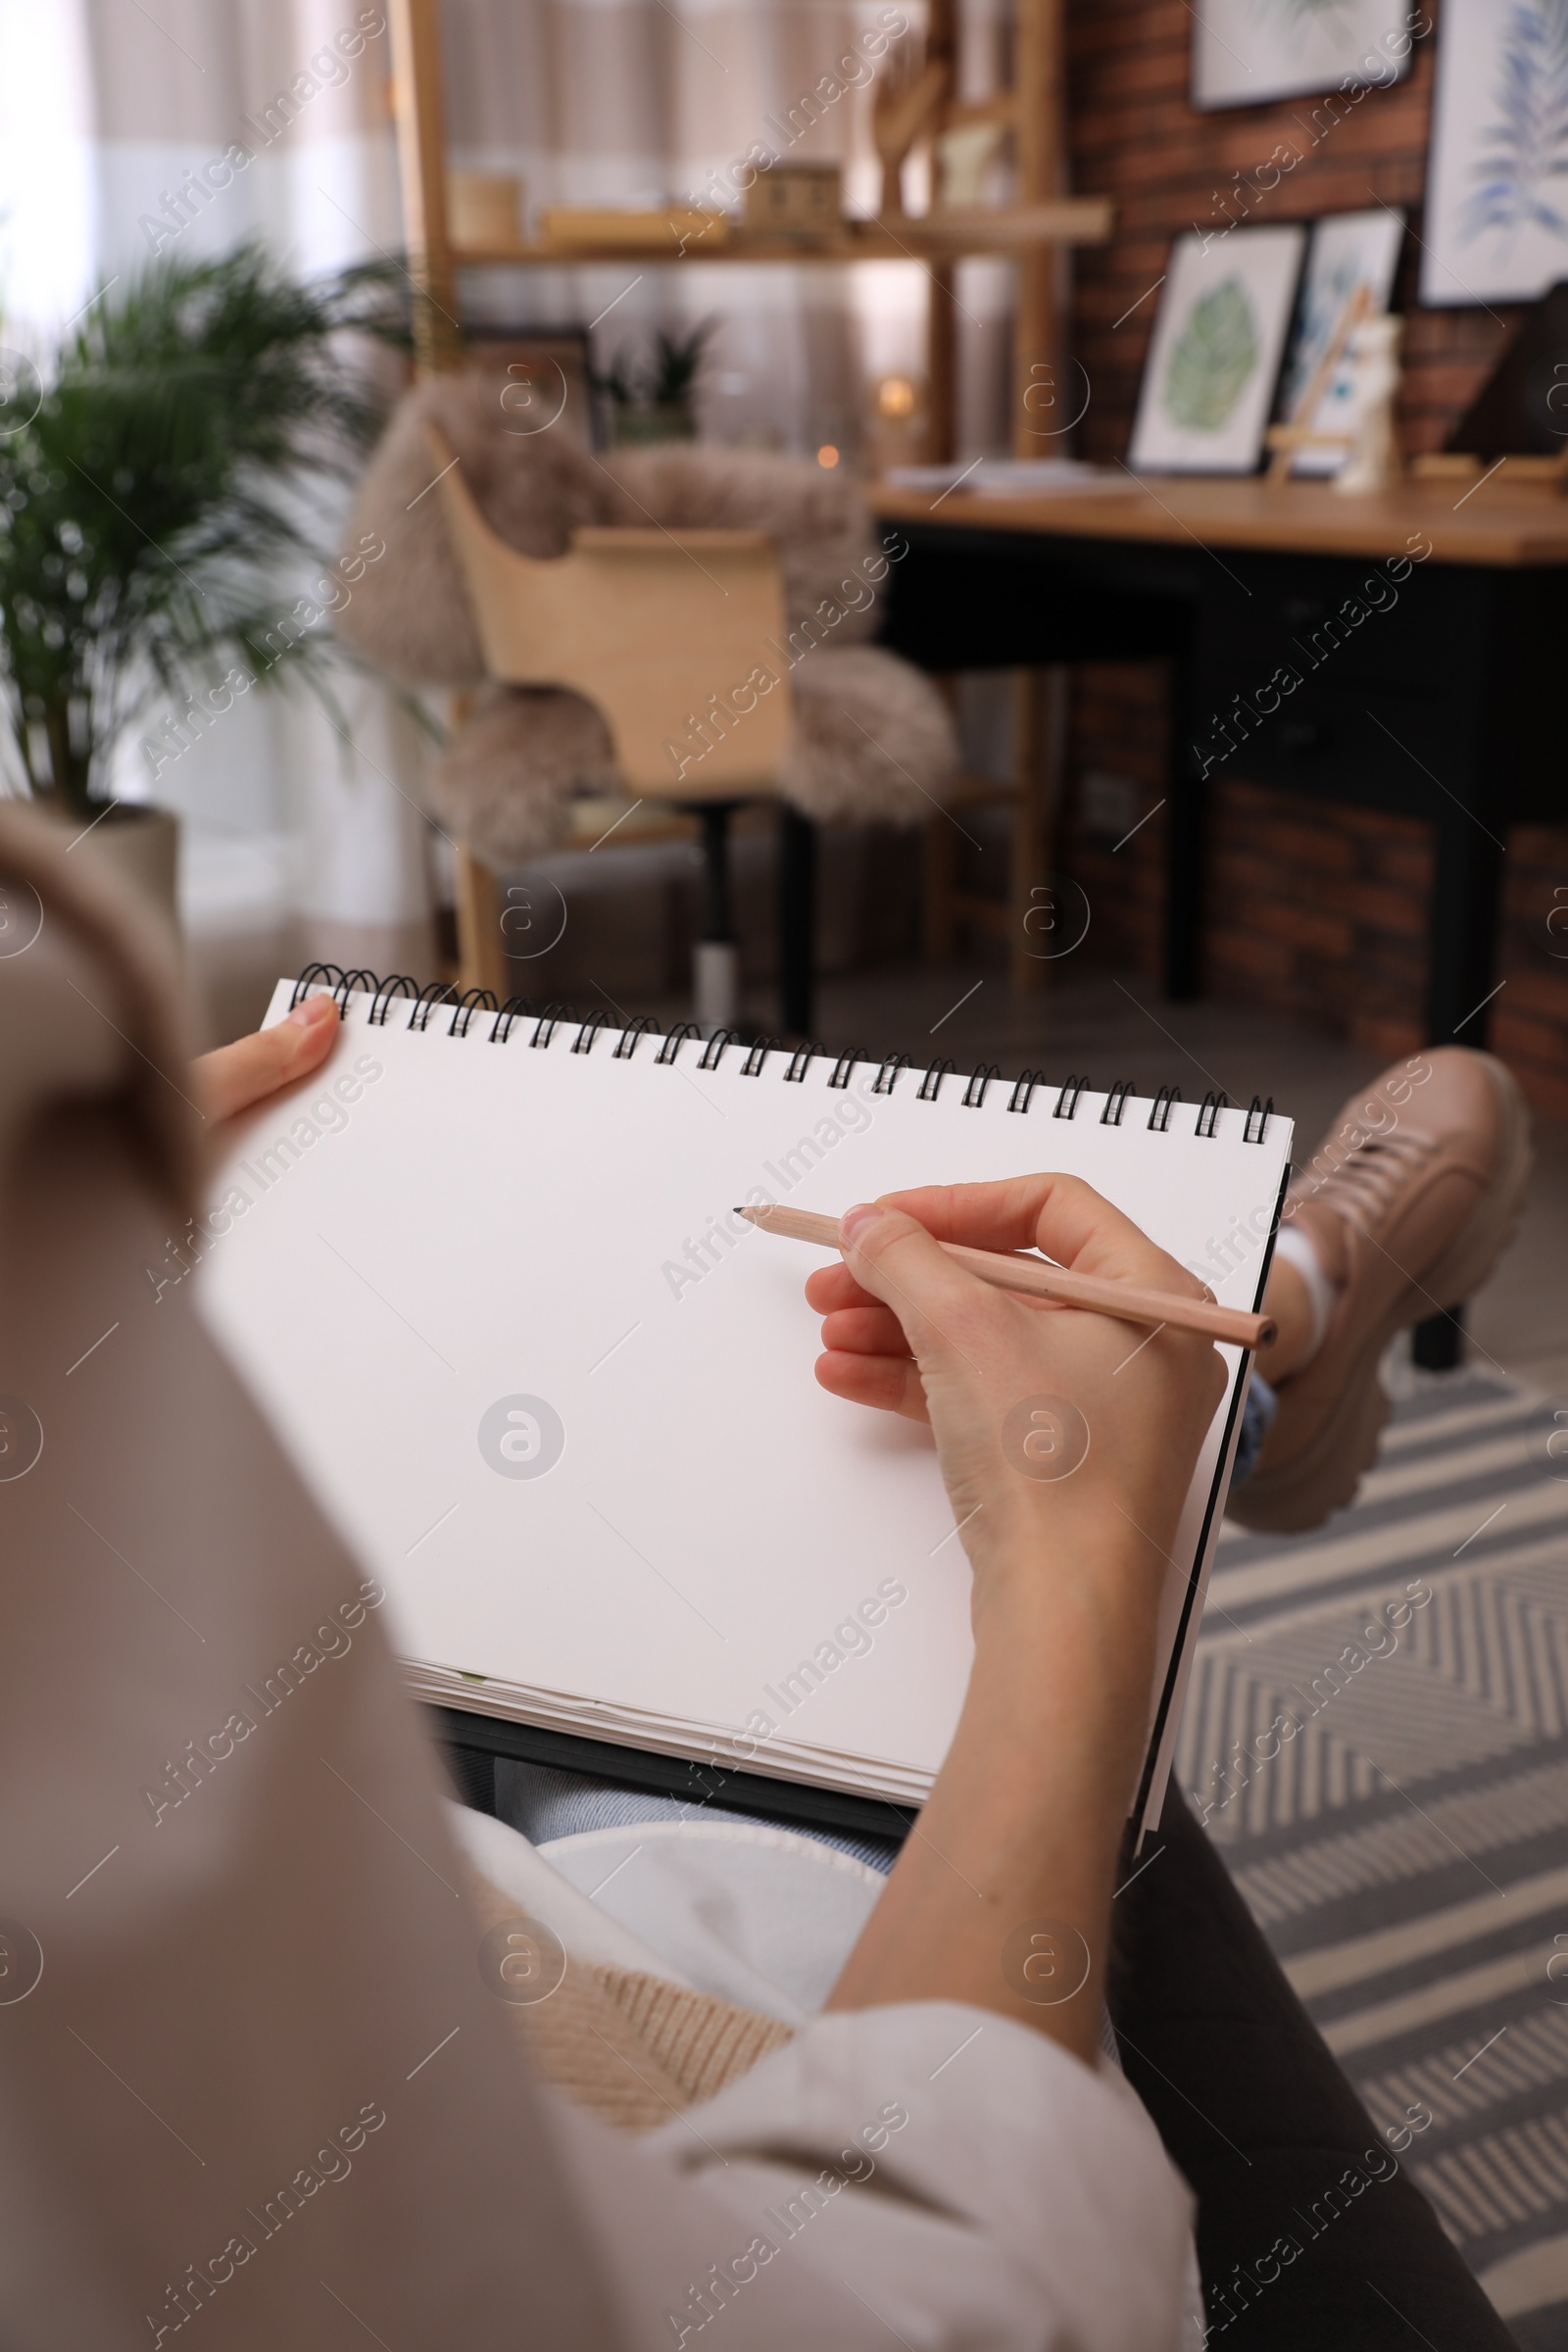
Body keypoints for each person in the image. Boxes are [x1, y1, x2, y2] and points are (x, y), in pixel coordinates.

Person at [178, 985, 1525, 2349]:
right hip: (631, 1954)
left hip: (289, 1753)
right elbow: (912, 2286)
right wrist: (1077, 1577)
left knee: (759, 1445)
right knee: (864, 1535)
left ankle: (1277, 1332)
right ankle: (1285, 1310)